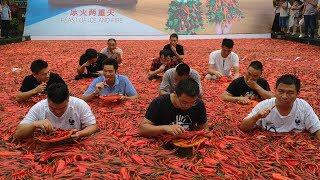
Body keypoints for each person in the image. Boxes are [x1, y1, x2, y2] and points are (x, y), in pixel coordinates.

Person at [240, 74, 320, 140]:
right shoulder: (264, 105)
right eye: (280, 91)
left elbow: (317, 129)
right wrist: (257, 116)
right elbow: (243, 127)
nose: (284, 96)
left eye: (290, 93)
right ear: (275, 91)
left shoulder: (303, 107)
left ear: (297, 93)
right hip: (269, 145)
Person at [13, 83, 98, 140]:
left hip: (73, 145)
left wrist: (80, 134)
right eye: (52, 108)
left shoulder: (79, 104)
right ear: (47, 99)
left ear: (68, 99)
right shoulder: (39, 107)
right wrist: (34, 124)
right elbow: (17, 134)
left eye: (62, 108)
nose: (57, 112)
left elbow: (93, 126)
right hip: (47, 148)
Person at [139, 78, 207, 137]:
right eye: (184, 102)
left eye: (192, 102)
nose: (188, 106)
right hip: (163, 141)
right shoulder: (160, 102)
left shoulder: (198, 104)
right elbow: (142, 129)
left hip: (187, 141)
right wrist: (165, 128)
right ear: (175, 94)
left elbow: (204, 128)